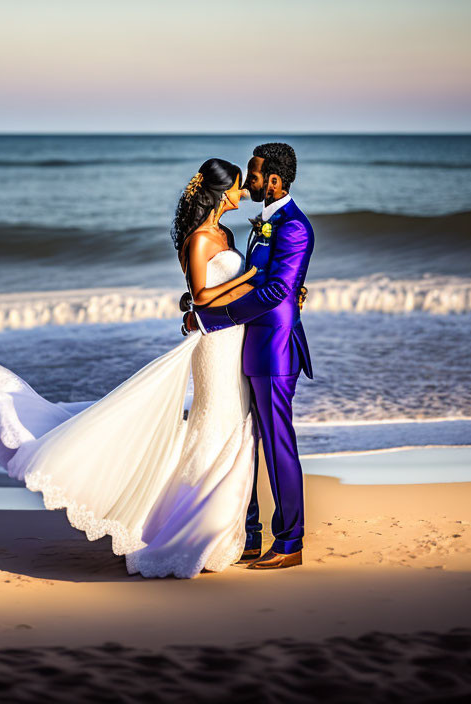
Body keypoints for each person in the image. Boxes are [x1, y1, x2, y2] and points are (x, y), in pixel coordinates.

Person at [0, 158, 261, 578]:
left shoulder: (225, 233)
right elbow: (201, 297)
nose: (241, 195)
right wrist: (252, 277)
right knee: (214, 423)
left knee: (235, 423)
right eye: (236, 188)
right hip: (212, 345)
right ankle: (189, 530)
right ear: (220, 193)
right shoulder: (200, 238)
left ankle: (214, 528)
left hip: (232, 339)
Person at [185, 142, 313, 570]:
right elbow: (253, 281)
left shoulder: (294, 227)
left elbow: (276, 291)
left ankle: (290, 542)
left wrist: (211, 319)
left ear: (273, 181)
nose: (250, 181)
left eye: (255, 175)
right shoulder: (264, 224)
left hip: (274, 352)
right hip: (247, 347)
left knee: (279, 447)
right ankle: (250, 536)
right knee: (247, 443)